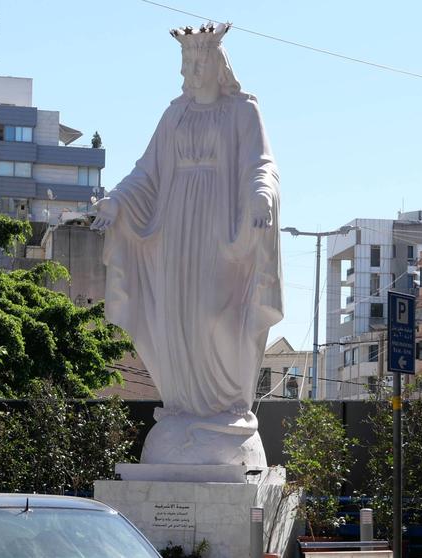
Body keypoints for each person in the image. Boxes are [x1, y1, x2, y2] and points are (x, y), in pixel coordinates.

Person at [90, 23, 282, 469]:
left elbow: (262, 163)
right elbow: (146, 173)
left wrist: (260, 195)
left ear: (218, 65)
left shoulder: (242, 110)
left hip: (222, 232)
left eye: (200, 62)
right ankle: (182, 409)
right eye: (187, 63)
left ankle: (227, 407)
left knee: (216, 314)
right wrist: (116, 202)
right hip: (176, 232)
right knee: (176, 315)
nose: (193, 71)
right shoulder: (174, 114)